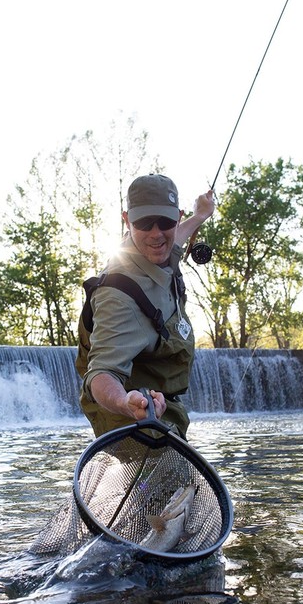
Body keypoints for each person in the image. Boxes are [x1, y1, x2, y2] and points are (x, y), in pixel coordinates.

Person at [75, 173, 215, 438]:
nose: (156, 234)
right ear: (127, 220)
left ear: (178, 217)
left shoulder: (160, 248)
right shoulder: (117, 297)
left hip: (165, 404)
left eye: (165, 221)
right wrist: (125, 403)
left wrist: (200, 215)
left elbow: (175, 239)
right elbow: (100, 374)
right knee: (153, 480)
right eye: (143, 223)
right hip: (128, 418)